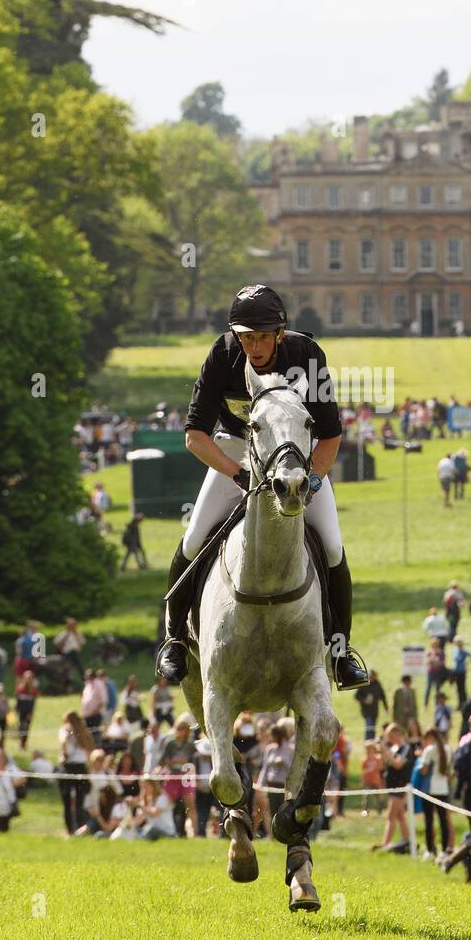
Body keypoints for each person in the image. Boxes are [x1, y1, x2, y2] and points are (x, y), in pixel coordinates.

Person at [155, 284, 368, 691]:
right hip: (237, 452)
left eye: (261, 337)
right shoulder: (222, 355)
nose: (253, 347)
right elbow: (194, 435)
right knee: (195, 536)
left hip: (296, 461)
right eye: (246, 337)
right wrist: (237, 474)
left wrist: (315, 481)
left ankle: (340, 653)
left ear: (280, 334)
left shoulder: (307, 356)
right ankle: (176, 641)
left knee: (333, 545)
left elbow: (330, 434)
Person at [375, 724, 412, 850]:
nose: (389, 739)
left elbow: (398, 764)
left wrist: (385, 749)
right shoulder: (394, 748)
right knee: (400, 815)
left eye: (390, 736)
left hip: (400, 785)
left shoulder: (406, 747)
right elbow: (386, 763)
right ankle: (408, 841)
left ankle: (385, 844)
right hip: (393, 785)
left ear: (397, 734)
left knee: (391, 815)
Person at [57, 710, 93, 834]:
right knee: (79, 800)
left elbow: (65, 749)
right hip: (81, 767)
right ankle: (79, 827)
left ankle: (72, 829)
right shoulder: (83, 732)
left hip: (70, 766)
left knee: (69, 801)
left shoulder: (67, 731)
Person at [418, 728, 453, 855]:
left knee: (429, 821)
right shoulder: (448, 749)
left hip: (430, 789)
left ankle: (430, 849)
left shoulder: (429, 750)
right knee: (443, 821)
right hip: (443, 788)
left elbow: (424, 771)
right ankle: (445, 849)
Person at [256, 723, 295, 819]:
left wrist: (283, 762)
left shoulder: (291, 749)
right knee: (273, 809)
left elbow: (293, 768)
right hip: (271, 783)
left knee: (283, 808)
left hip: (284, 784)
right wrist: (260, 784)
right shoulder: (270, 749)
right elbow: (265, 767)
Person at [354, 670, 387, 740]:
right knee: (369, 727)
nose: (372, 678)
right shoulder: (364, 684)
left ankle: (372, 744)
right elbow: (356, 696)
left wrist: (385, 707)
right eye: (371, 676)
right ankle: (368, 742)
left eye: (373, 676)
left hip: (375, 711)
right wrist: (364, 700)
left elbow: (382, 696)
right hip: (366, 711)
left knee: (372, 728)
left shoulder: (378, 684)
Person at [15, 671, 38, 750]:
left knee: (27, 727)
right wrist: (16, 710)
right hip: (21, 711)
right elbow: (18, 700)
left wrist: (31, 713)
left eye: (30, 678)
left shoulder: (33, 690)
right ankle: (20, 742)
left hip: (28, 712)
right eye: (27, 678)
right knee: (21, 726)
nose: (29, 680)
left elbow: (33, 703)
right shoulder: (20, 688)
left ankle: (24, 743)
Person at [450, 637, 471, 708]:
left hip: (462, 672)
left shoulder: (464, 652)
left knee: (462, 689)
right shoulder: (455, 651)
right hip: (456, 672)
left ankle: (465, 703)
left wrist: (467, 663)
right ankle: (460, 703)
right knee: (458, 689)